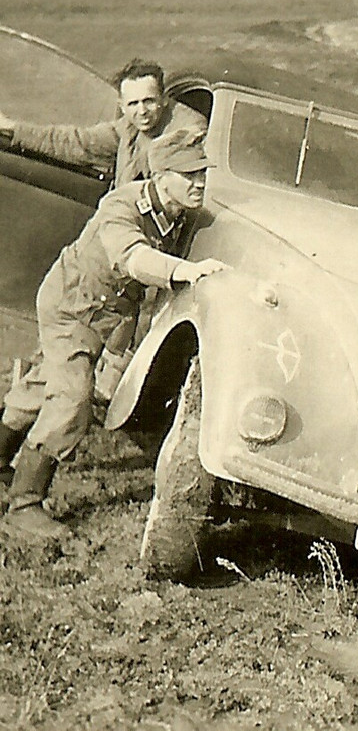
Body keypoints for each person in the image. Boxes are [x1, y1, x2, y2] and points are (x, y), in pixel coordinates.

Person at [0, 129, 229, 539]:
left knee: (42, 386)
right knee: (71, 400)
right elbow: (133, 257)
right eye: (189, 175)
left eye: (202, 174)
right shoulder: (122, 204)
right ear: (162, 176)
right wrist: (184, 271)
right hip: (71, 306)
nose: (199, 184)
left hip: (102, 318)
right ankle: (24, 505)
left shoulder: (180, 212)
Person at [0, 58, 206, 187]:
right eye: (133, 104)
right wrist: (11, 128)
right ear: (122, 106)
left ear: (163, 99)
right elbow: (77, 142)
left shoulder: (188, 126)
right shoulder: (127, 127)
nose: (142, 111)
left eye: (149, 101)